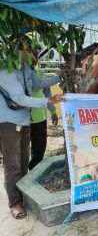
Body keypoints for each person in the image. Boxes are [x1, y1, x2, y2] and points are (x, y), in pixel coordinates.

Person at [0, 44, 65, 219]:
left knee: (23, 161)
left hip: (24, 121)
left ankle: (24, 195)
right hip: (8, 123)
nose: (30, 55)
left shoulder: (25, 67)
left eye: (31, 52)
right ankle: (15, 202)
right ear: (15, 51)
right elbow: (20, 98)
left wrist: (59, 77)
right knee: (12, 165)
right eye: (26, 51)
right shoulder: (6, 70)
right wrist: (49, 100)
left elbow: (37, 83)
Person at [29, 67, 59, 170]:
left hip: (40, 118)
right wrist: (59, 77)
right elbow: (38, 84)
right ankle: (22, 178)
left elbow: (47, 93)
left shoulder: (41, 71)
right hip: (24, 119)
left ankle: (33, 173)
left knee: (40, 149)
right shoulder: (22, 70)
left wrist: (53, 112)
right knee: (22, 153)